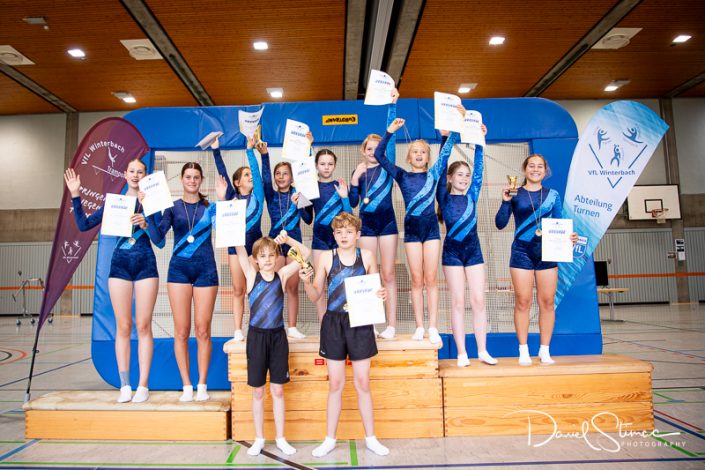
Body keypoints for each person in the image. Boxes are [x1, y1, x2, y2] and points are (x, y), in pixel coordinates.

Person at [64, 160, 161, 403]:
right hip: (119, 267)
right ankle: (125, 384)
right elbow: (84, 225)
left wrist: (146, 222)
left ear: (145, 175)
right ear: (125, 174)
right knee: (123, 327)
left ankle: (143, 385)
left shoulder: (152, 202)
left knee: (144, 326)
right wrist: (75, 195)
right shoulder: (113, 202)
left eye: (140, 172)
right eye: (132, 171)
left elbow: (159, 240)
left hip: (146, 266)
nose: (136, 175)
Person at [300, 212, 389, 457]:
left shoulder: (367, 256)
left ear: (357, 235)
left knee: (363, 382)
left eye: (349, 231)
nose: (344, 236)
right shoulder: (326, 257)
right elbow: (315, 295)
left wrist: (381, 294)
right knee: (336, 384)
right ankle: (330, 439)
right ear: (334, 235)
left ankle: (371, 438)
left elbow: (375, 289)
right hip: (334, 323)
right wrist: (306, 282)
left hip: (360, 323)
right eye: (339, 232)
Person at [375, 113, 460, 344]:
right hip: (412, 233)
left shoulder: (434, 173)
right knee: (416, 279)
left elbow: (446, 153)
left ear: (428, 156)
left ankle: (433, 326)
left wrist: (447, 136)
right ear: (409, 156)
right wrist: (389, 132)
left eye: (423, 151)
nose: (419, 154)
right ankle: (420, 326)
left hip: (431, 232)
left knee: (431, 279)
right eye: (415, 151)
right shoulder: (402, 175)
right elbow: (379, 155)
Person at [495, 154, 578, 366]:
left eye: (540, 166)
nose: (535, 169)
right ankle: (523, 350)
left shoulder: (553, 195)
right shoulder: (515, 193)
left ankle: (544, 350)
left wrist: (569, 237)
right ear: (525, 169)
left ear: (545, 171)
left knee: (547, 302)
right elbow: (500, 223)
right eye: (531, 165)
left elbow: (560, 223)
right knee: (523, 301)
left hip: (548, 252)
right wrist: (505, 201)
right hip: (521, 252)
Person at [231, 230, 308, 456]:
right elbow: (238, 248)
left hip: (277, 338)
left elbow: (305, 253)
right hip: (256, 338)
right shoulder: (250, 275)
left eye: (271, 255)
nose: (267, 260)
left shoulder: (282, 276)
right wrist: (231, 223)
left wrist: (288, 240)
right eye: (262, 256)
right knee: (258, 392)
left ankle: (281, 438)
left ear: (277, 258)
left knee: (278, 390)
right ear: (255, 259)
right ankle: (259, 438)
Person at [145, 162, 217, 401]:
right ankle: (187, 385)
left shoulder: (211, 207)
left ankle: (202, 384)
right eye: (188, 177)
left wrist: (225, 200)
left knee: (203, 330)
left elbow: (229, 232)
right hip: (178, 272)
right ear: (182, 179)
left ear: (201, 180)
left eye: (196, 177)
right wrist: (149, 214)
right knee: (182, 331)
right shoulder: (172, 207)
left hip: (206, 271)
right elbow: (158, 240)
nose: (192, 181)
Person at [437, 144, 497, 367]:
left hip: (474, 253)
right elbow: (441, 164)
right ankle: (462, 353)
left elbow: (479, 169)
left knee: (479, 300)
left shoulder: (472, 195)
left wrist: (479, 143)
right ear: (450, 178)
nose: (464, 178)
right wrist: (446, 140)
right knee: (458, 302)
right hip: (452, 254)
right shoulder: (443, 197)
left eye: (467, 175)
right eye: (460, 175)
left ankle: (482, 350)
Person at [349, 90, 399, 339]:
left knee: (388, 273)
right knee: (369, 274)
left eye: (377, 149)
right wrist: (354, 180)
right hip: (367, 225)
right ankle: (370, 323)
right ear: (363, 150)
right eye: (369, 149)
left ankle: (391, 325)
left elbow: (392, 136)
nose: (372, 152)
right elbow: (353, 202)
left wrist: (392, 105)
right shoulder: (359, 172)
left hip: (388, 224)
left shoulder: (388, 167)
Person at [211, 136, 265, 342]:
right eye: (246, 175)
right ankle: (237, 330)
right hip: (236, 248)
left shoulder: (258, 196)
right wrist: (216, 150)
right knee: (238, 289)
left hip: (256, 249)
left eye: (251, 174)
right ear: (236, 182)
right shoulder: (230, 198)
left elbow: (257, 175)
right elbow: (222, 173)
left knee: (255, 289)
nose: (250, 176)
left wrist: (250, 151)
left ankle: (257, 326)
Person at [259, 141, 313, 339]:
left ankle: (292, 327)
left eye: (285, 174)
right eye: (278, 174)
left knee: (292, 287)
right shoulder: (271, 195)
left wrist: (299, 204)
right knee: (274, 286)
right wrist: (264, 155)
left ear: (292, 177)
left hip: (293, 243)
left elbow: (308, 219)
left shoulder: (299, 194)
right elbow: (265, 178)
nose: (281, 177)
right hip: (274, 244)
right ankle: (272, 324)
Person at [308, 143, 352, 319]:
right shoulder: (311, 187)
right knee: (319, 285)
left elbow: (349, 217)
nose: (326, 167)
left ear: (334, 165)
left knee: (342, 282)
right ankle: (323, 324)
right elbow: (307, 218)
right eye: (322, 164)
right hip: (319, 240)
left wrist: (345, 197)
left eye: (330, 164)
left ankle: (344, 322)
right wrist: (299, 204)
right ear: (316, 165)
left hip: (339, 241)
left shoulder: (339, 186)